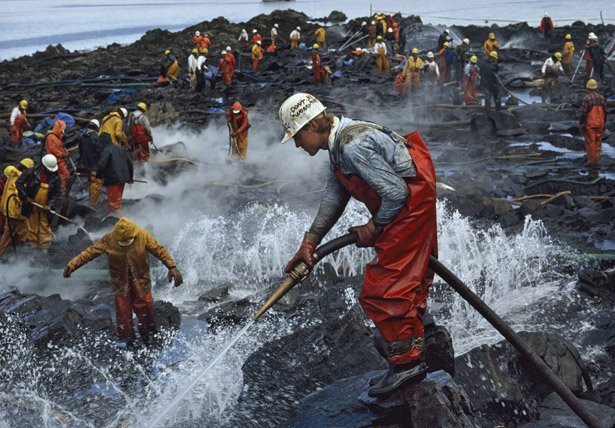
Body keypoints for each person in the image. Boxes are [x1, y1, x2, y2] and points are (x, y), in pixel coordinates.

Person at [278, 93, 437, 397]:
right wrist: (309, 242)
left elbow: (396, 193)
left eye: (298, 136)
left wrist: (373, 227)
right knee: (407, 280)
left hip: (409, 206)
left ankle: (407, 364)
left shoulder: (354, 145)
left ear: (313, 124)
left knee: (386, 289)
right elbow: (336, 193)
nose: (298, 145)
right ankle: (414, 338)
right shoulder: (340, 145)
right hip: (403, 205)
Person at [64, 217, 183, 346]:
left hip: (141, 281)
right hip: (120, 283)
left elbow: (160, 250)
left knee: (145, 308)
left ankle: (149, 336)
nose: (125, 243)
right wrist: (72, 265)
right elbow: (89, 253)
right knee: (123, 313)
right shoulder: (109, 239)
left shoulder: (143, 236)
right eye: (122, 242)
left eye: (128, 241)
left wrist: (172, 267)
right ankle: (128, 341)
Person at [16, 154, 62, 250]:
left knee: (44, 228)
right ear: (43, 166)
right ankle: (32, 249)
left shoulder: (56, 177)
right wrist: (24, 197)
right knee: (31, 228)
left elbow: (57, 193)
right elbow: (19, 183)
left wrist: (49, 205)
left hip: (44, 207)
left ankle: (44, 249)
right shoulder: (32, 172)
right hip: (32, 205)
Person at [96, 133, 133, 212]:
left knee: (113, 204)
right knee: (117, 201)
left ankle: (114, 220)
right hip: (123, 179)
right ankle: (118, 217)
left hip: (113, 179)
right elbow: (130, 164)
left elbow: (101, 164)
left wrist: (99, 175)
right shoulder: (121, 149)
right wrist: (130, 178)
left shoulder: (107, 150)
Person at [0, 158, 33, 233]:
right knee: (10, 233)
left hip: (6, 207)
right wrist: (25, 199)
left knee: (9, 231)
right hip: (13, 210)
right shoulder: (20, 179)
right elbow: (18, 194)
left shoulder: (12, 176)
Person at [0, 166, 28, 256]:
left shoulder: (13, 180)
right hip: (14, 212)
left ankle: (10, 252)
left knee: (12, 232)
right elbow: (19, 196)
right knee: (11, 233)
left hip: (11, 211)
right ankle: (7, 252)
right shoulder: (18, 180)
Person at [579, 79, 607, 167]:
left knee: (590, 142)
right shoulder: (602, 97)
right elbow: (605, 112)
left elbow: (583, 113)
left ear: (587, 87)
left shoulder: (587, 98)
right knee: (598, 141)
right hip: (600, 123)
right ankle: (596, 159)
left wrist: (581, 123)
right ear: (595, 87)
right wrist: (604, 123)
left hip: (590, 123)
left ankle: (591, 162)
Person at [77, 119, 104, 206]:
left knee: (91, 184)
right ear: (96, 128)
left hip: (86, 165)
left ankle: (91, 201)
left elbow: (80, 151)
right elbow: (99, 152)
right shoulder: (95, 138)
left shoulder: (82, 137)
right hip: (94, 165)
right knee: (96, 185)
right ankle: (93, 205)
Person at [44, 120, 70, 191]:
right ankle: (63, 190)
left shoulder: (56, 136)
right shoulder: (51, 137)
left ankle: (64, 190)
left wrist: (64, 151)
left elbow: (59, 147)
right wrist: (63, 154)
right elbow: (54, 150)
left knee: (64, 175)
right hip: (56, 160)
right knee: (65, 175)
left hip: (59, 159)